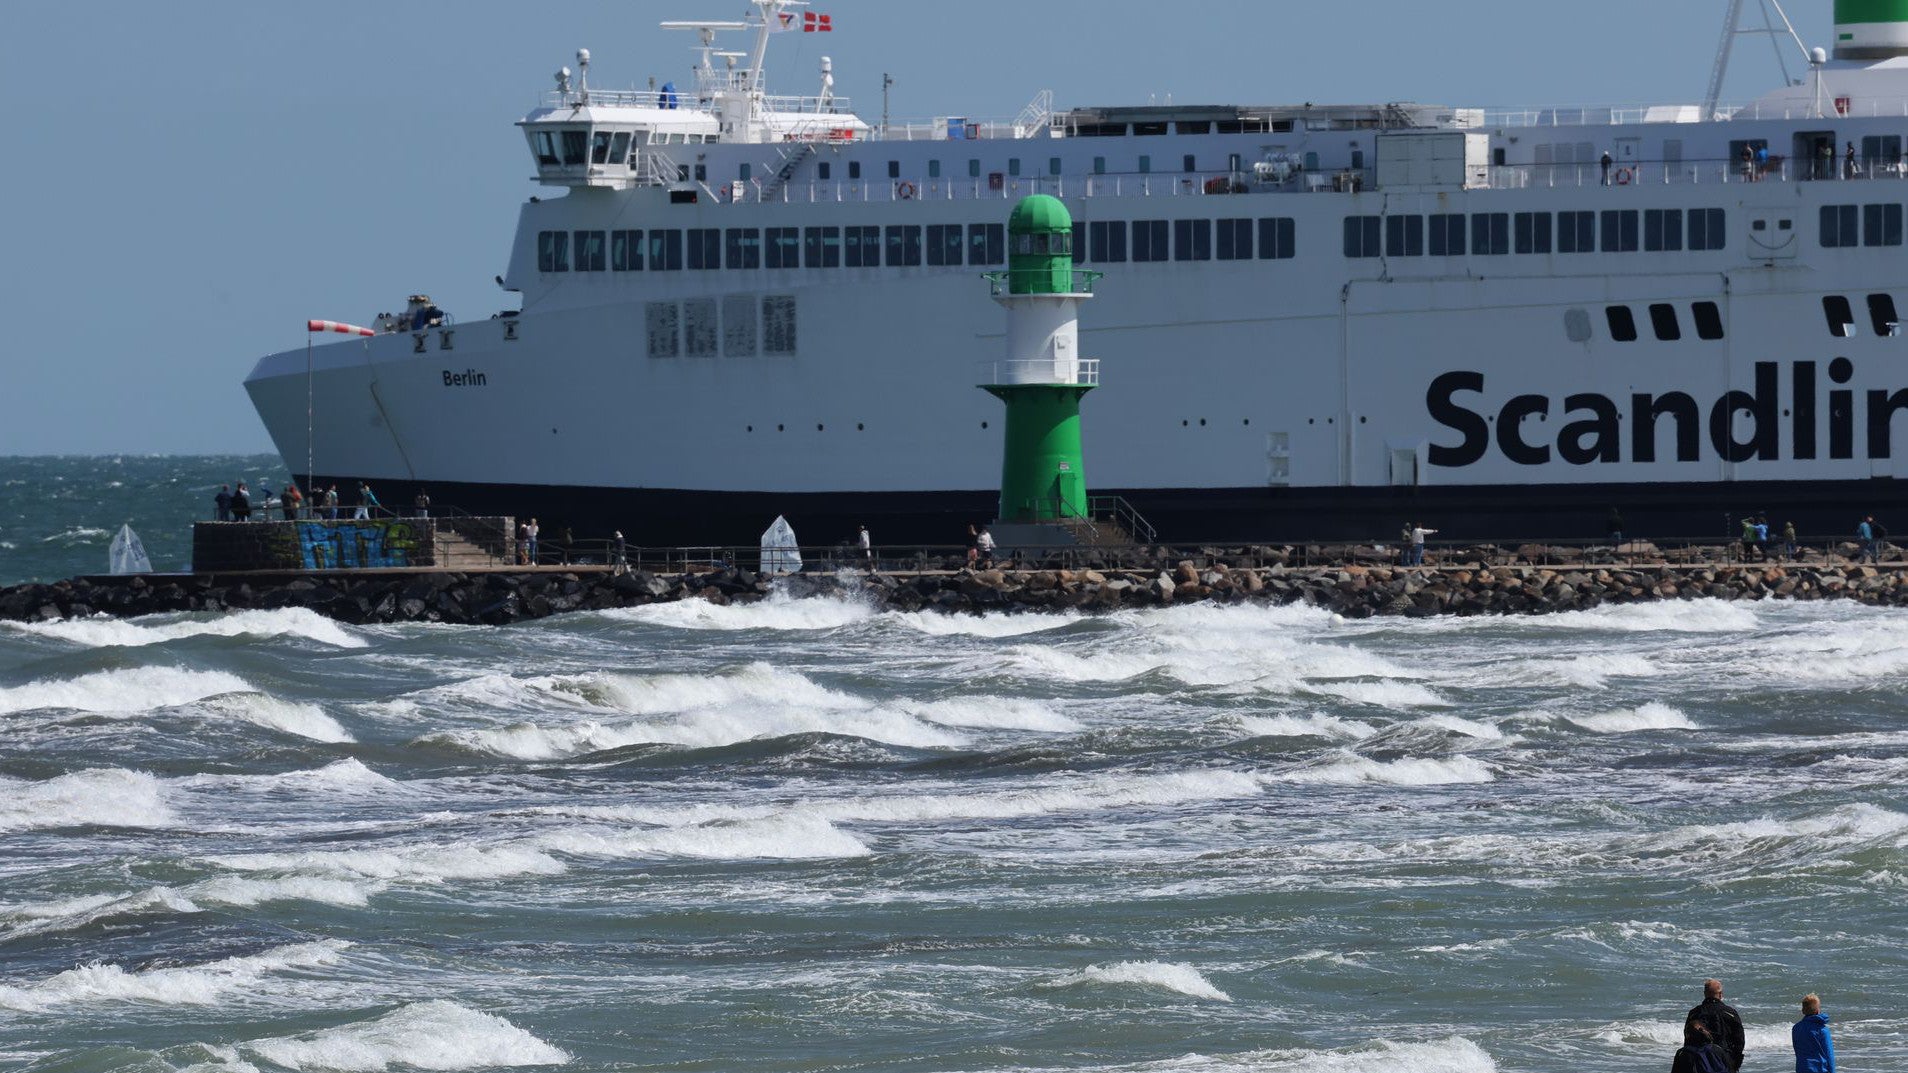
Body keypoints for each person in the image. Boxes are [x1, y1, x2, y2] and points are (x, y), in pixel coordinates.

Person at [1687, 978, 1746, 1072]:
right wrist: (1734, 1065)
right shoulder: (1730, 1013)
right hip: (1723, 1062)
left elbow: (1688, 1040)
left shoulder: (1694, 1013)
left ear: (1705, 994)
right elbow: (1740, 1042)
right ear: (1720, 994)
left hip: (1699, 1063)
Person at [1792, 993, 1835, 1073]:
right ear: (1818, 1010)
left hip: (1801, 1068)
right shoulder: (1822, 1030)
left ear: (1803, 1010)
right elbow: (1829, 1055)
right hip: (1819, 1069)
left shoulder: (1796, 1028)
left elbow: (1797, 1052)